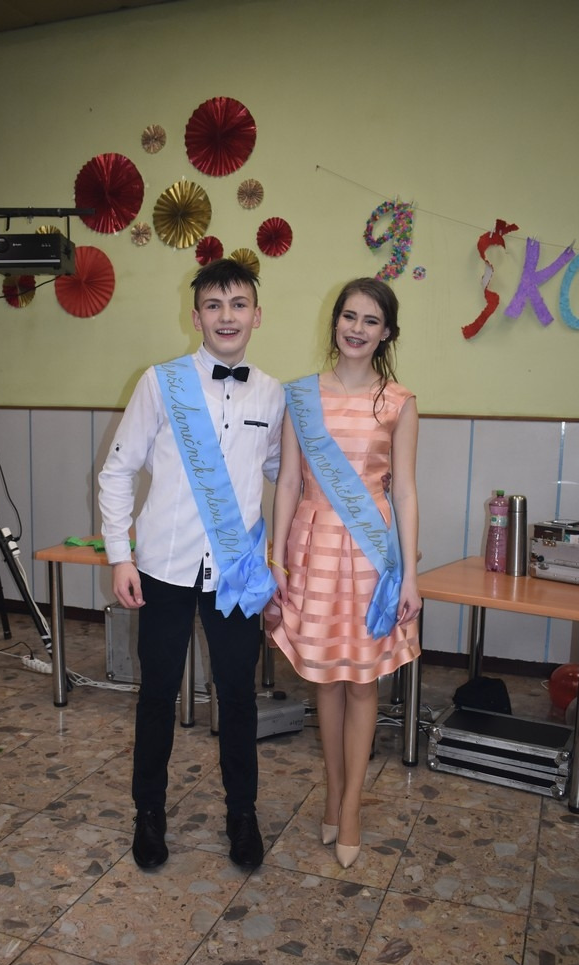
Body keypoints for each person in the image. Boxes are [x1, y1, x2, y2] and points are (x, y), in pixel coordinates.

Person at [98, 259, 285, 871]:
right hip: (163, 568)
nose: (227, 316)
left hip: (235, 573)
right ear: (196, 315)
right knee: (156, 694)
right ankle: (148, 813)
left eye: (238, 304)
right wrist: (120, 555)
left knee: (238, 697)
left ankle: (243, 814)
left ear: (257, 315)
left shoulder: (272, 393)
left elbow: (282, 477)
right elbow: (118, 471)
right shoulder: (161, 383)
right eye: (214, 305)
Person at [267, 276, 421, 869]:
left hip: (370, 557)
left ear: (387, 333)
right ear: (335, 322)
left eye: (371, 320)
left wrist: (410, 577)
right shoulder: (300, 396)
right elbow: (287, 483)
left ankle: (351, 804)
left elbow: (405, 492)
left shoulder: (399, 402)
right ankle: (333, 791)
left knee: (362, 681)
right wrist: (277, 559)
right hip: (313, 550)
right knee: (325, 681)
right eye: (349, 316)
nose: (357, 329)